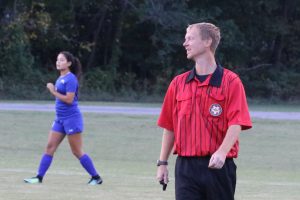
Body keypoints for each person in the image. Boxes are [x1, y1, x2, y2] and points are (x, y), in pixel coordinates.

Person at [156, 22, 252, 200]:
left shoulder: (231, 81)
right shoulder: (178, 83)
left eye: (190, 38)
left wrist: (222, 152)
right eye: (185, 39)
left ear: (207, 41)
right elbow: (169, 126)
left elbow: (237, 122)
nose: (185, 43)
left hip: (218, 167)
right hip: (186, 168)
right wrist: (162, 162)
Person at [24, 51, 103, 185]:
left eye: (61, 60)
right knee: (49, 147)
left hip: (71, 119)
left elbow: (69, 99)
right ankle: (39, 177)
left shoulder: (71, 79)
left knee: (76, 151)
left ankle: (96, 177)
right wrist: (55, 90)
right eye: (57, 60)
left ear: (69, 63)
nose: (58, 62)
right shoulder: (60, 78)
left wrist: (53, 91)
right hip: (60, 119)